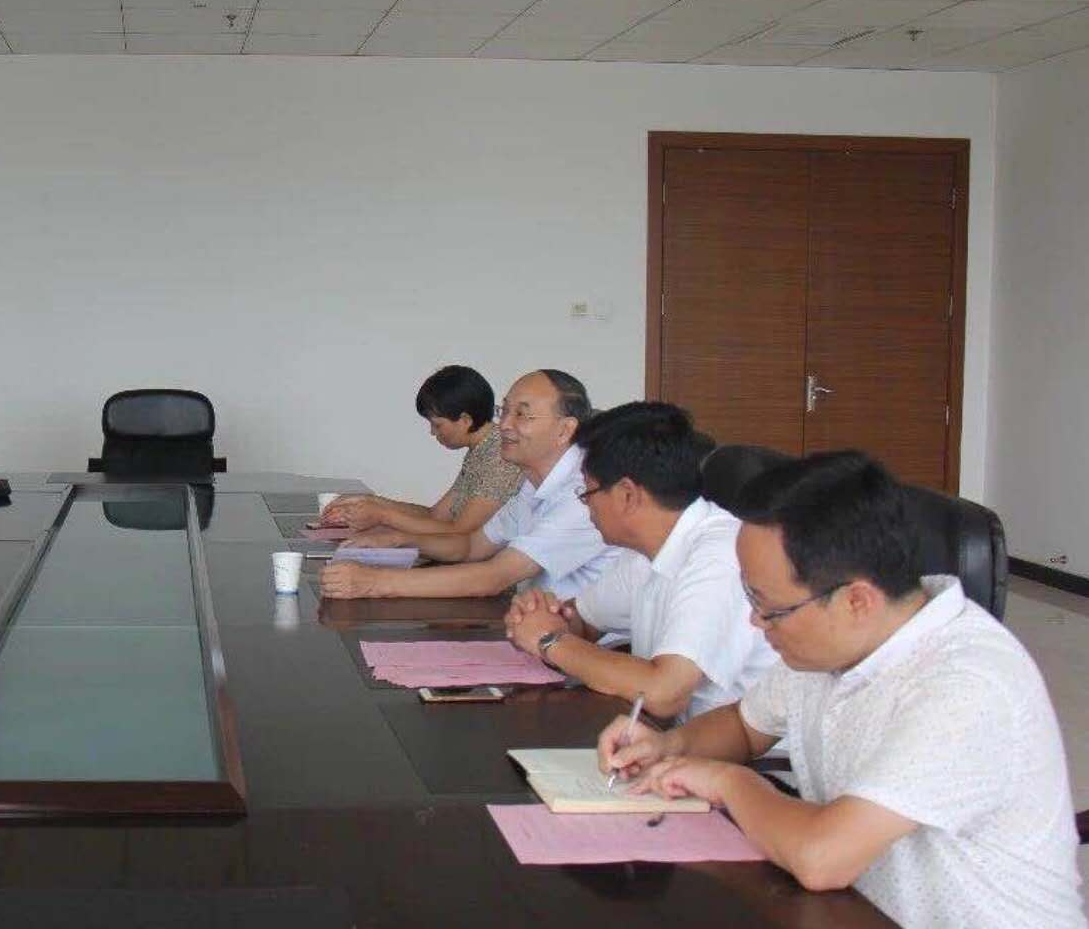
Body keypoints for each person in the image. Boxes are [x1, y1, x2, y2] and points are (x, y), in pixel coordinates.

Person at [600, 452, 1083, 928]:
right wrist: (669, 745)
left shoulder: (966, 685)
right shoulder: (831, 645)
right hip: (852, 909)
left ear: (856, 600)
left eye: (769, 608)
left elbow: (822, 858)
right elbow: (744, 726)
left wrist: (729, 782)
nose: (755, 621)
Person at [504, 402, 777, 721]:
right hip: (663, 737)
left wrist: (549, 640)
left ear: (627, 495)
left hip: (727, 749)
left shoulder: (720, 556)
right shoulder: (645, 550)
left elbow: (664, 693)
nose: (586, 506)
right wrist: (540, 616)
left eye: (587, 493)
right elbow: (584, 622)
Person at [320, 369, 616, 600]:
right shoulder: (534, 482)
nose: (505, 425)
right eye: (504, 411)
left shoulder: (583, 494)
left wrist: (373, 582)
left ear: (565, 430)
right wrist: (398, 540)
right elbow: (472, 545)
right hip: (539, 626)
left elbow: (494, 576)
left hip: (587, 646)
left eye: (522, 415)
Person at [322, 365, 524, 538]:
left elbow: (459, 533)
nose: (432, 432)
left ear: (465, 420)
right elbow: (436, 516)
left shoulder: (499, 455)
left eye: (437, 424)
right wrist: (371, 502)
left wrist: (382, 516)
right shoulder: (481, 449)